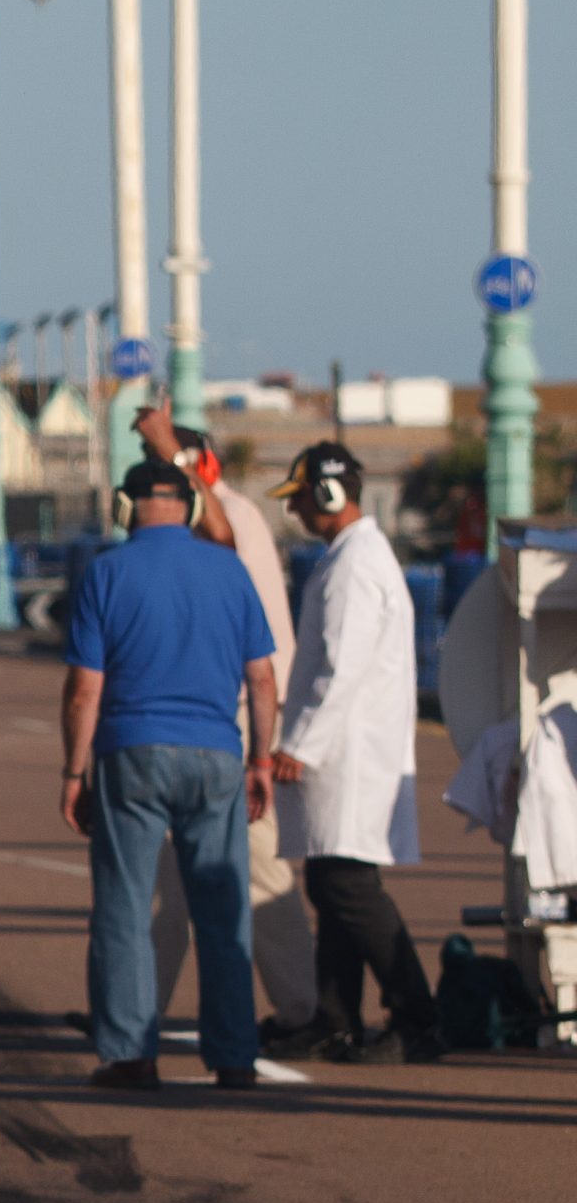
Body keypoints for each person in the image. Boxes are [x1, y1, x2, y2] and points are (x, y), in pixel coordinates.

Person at [60, 456, 278, 1090]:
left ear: (124, 508)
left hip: (130, 752)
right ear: (191, 507)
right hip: (216, 755)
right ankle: (234, 1056)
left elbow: (84, 690)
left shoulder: (106, 572)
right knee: (222, 908)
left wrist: (74, 772)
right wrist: (261, 761)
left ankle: (131, 1053)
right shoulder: (230, 571)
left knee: (124, 906)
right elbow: (263, 679)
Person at [130, 407, 317, 1041]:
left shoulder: (230, 514)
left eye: (162, 478)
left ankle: (302, 1010)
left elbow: (219, 540)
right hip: (213, 720)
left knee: (256, 872)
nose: (153, 495)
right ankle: (136, 1013)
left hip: (238, 720)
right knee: (173, 880)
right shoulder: (207, 518)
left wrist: (172, 453)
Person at [264, 443, 444, 1064]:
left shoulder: (355, 566)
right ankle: (335, 1019)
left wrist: (300, 745)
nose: (296, 513)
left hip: (349, 753)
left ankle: (417, 1019)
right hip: (348, 752)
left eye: (301, 499)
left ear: (330, 494)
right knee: (332, 881)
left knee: (349, 886)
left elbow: (341, 668)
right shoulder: (350, 558)